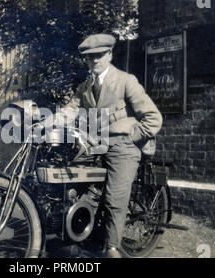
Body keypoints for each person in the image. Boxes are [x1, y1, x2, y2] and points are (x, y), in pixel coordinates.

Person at [65, 34, 163, 258]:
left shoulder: (126, 81)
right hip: (97, 146)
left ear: (109, 55)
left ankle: (112, 248)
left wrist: (132, 134)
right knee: (74, 182)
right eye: (90, 58)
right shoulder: (85, 86)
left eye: (99, 56)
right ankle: (80, 232)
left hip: (124, 147)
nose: (95, 61)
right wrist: (48, 119)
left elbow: (153, 118)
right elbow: (69, 110)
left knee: (114, 198)